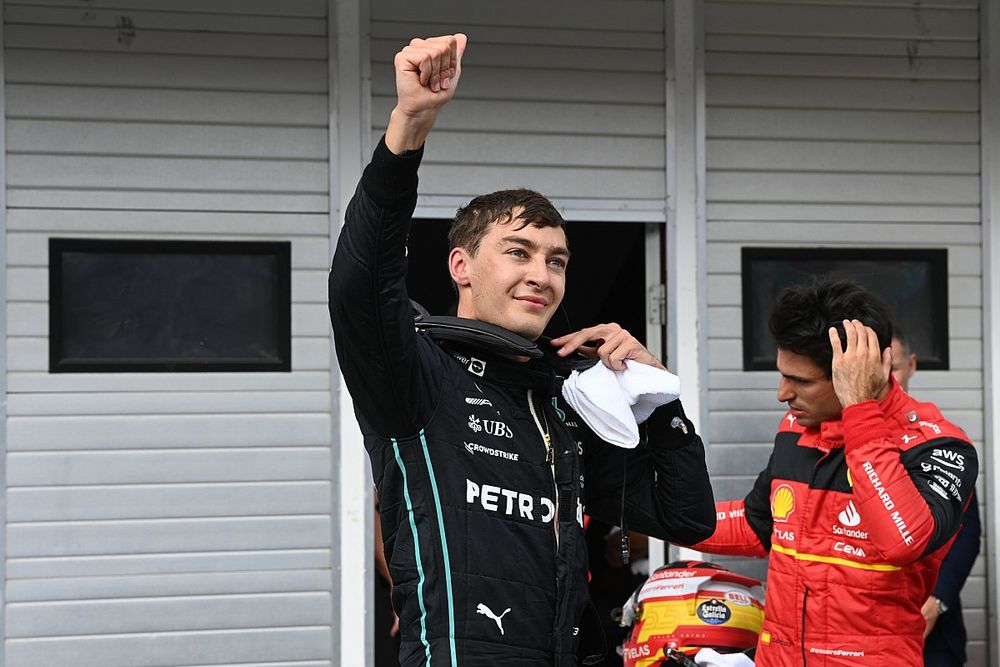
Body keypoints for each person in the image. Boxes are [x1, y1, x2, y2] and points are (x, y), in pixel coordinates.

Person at [328, 34, 715, 666]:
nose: (542, 274)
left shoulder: (568, 398)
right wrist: (408, 128)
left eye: (556, 261)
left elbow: (686, 517)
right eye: (517, 252)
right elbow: (358, 285)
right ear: (461, 264)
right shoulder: (417, 372)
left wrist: (657, 398)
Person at [693, 278, 978, 666]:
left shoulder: (938, 445)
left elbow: (902, 540)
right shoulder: (796, 430)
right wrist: (647, 511)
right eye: (782, 375)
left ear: (851, 373)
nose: (783, 393)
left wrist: (860, 409)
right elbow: (758, 523)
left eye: (801, 381)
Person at [892, 330, 981, 667]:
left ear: (912, 365)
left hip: (934, 635)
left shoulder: (944, 441)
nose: (888, 380)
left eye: (895, 368)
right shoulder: (845, 442)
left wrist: (937, 601)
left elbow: (968, 534)